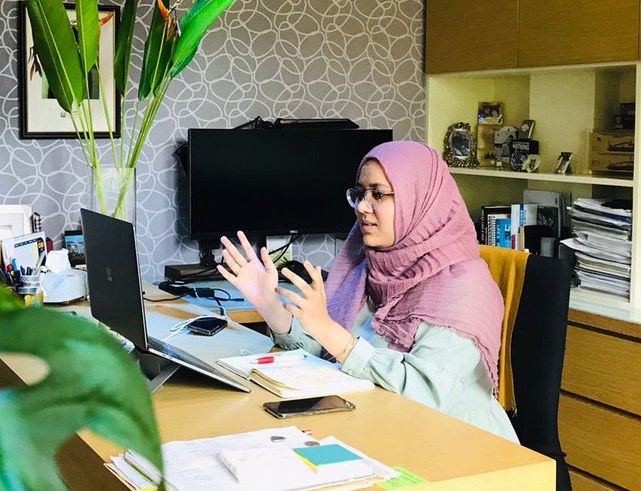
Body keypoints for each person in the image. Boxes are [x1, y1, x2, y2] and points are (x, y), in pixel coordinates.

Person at [218, 140, 517, 442]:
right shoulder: (369, 266)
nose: (362, 206)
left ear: (420, 199)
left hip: (461, 448)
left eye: (378, 194)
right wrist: (270, 305)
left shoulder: (463, 290)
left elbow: (424, 396)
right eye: (360, 194)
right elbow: (327, 352)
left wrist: (338, 339)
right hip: (380, 429)